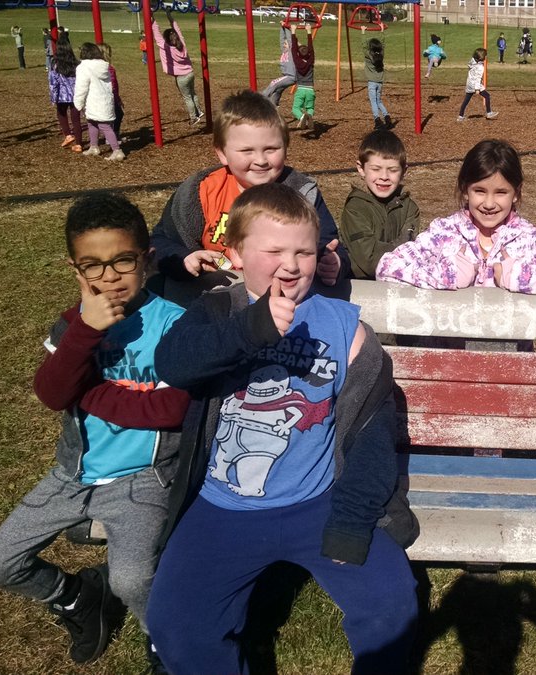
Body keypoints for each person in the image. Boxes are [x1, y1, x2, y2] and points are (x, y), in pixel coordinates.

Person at [144, 182, 420, 675]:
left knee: (392, 605)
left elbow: (373, 435)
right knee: (176, 628)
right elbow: (175, 364)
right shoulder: (215, 312)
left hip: (319, 504)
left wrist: (352, 522)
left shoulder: (346, 329)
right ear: (234, 253)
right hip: (221, 506)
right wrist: (251, 328)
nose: (291, 265)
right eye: (273, 250)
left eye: (304, 251)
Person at [0, 192, 188, 671]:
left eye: (123, 261)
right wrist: (86, 333)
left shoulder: (174, 325)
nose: (109, 276)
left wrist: (85, 391)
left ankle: (162, 640)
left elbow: (168, 410)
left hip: (142, 478)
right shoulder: (74, 324)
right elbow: (51, 392)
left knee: (132, 580)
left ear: (147, 259)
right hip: (74, 474)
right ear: (76, 270)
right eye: (93, 266)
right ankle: (77, 598)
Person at [150, 90, 346, 298]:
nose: (261, 160)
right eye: (247, 151)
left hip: (280, 298)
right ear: (222, 153)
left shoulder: (301, 193)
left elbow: (327, 243)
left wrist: (335, 262)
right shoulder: (200, 191)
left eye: (271, 149)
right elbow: (161, 241)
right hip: (213, 295)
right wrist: (184, 258)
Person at [376, 139, 536, 294]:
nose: (489, 204)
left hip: (510, 357)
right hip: (449, 357)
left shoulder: (530, 240)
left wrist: (520, 277)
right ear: (465, 190)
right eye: (479, 191)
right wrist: (449, 275)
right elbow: (387, 267)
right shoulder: (443, 234)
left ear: (516, 194)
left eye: (501, 192)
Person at [340, 129, 421, 279]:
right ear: (361, 168)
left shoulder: (409, 208)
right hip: (362, 287)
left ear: (404, 171)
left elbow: (415, 251)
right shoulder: (355, 208)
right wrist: (402, 249)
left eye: (392, 170)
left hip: (400, 284)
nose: (384, 177)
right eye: (376, 169)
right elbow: (369, 260)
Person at [151, 8, 203, 125]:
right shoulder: (182, 44)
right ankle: (199, 111)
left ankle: (194, 117)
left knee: (187, 97)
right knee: (192, 93)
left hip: (181, 77)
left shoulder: (166, 47)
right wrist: (169, 15)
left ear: (166, 39)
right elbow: (176, 28)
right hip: (190, 73)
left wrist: (151, 17)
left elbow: (156, 32)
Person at [75, 42, 124, 161]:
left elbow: (81, 87)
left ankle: (117, 150)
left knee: (104, 126)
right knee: (92, 122)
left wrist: (78, 102)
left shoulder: (83, 67)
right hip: (104, 100)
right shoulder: (104, 66)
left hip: (93, 100)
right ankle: (94, 146)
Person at [49, 39, 83, 153]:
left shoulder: (55, 63)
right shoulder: (76, 63)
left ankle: (68, 135)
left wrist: (53, 97)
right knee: (76, 119)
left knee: (61, 114)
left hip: (62, 95)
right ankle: (79, 144)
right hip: (75, 94)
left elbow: (53, 81)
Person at [457, 48, 497, 122]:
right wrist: (477, 89)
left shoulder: (472, 61)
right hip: (475, 85)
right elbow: (478, 78)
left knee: (466, 100)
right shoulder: (480, 67)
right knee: (487, 96)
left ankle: (460, 116)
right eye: (485, 56)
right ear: (482, 58)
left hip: (469, 84)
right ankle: (489, 113)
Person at [363, 35, 391, 129]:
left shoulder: (368, 56)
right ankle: (387, 117)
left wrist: (363, 32)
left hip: (372, 82)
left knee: (373, 101)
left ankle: (377, 120)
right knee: (379, 101)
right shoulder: (381, 55)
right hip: (379, 82)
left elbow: (363, 46)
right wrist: (382, 31)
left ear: (370, 48)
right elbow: (383, 46)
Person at [98, 42, 124, 142]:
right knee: (116, 114)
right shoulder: (109, 68)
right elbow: (113, 86)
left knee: (114, 115)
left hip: (102, 96)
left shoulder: (97, 68)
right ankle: (112, 137)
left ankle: (113, 136)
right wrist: (117, 99)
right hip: (109, 96)